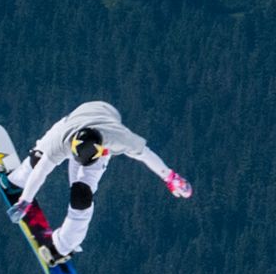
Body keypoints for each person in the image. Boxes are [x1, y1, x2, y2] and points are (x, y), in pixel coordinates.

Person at [12, 100, 193, 259]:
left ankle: (62, 246)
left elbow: (146, 155)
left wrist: (170, 177)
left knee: (81, 195)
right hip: (70, 123)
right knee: (37, 159)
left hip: (107, 120)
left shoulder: (118, 138)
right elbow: (42, 171)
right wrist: (25, 200)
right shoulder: (62, 142)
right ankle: (18, 179)